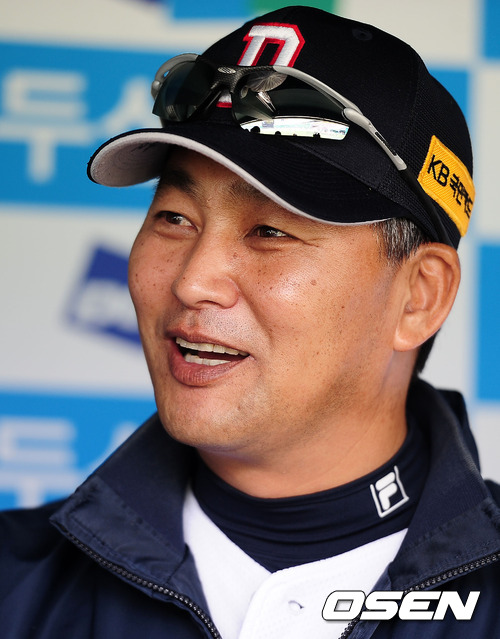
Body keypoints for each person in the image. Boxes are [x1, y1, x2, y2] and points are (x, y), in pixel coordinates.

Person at [1, 5, 499, 638]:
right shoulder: (14, 585)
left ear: (418, 297)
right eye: (174, 218)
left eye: (269, 231)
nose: (192, 281)